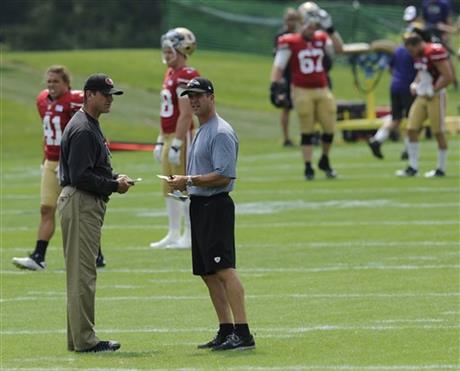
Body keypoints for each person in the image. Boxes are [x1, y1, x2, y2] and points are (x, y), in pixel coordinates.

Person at [166, 77, 255, 351]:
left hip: (216, 205)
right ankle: (226, 329)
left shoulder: (220, 132)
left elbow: (224, 175)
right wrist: (187, 185)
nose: (193, 101)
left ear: (211, 97)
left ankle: (243, 332)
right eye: (190, 96)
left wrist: (188, 180)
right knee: (208, 272)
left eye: (198, 96)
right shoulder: (203, 129)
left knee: (224, 269)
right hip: (201, 206)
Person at [58, 73, 133, 352]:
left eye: (111, 94)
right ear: (89, 94)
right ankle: (86, 341)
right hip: (81, 202)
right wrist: (114, 185)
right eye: (105, 94)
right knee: (83, 276)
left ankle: (77, 338)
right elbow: (80, 176)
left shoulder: (88, 125)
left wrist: (113, 177)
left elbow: (89, 169)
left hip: (84, 202)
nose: (109, 99)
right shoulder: (84, 129)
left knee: (81, 274)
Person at [12, 65, 106, 271]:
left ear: (66, 83)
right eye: (49, 81)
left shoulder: (75, 100)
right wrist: (43, 159)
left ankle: (96, 254)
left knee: (78, 209)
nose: (51, 85)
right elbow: (46, 134)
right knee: (46, 208)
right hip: (51, 161)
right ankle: (39, 256)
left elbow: (88, 125)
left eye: (56, 81)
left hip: (71, 162)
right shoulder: (42, 101)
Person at [270, 1, 343, 180]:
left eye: (315, 25)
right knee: (307, 130)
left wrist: (331, 29)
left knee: (329, 128)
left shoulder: (321, 38)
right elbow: (278, 67)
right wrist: (274, 86)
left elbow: (340, 49)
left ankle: (325, 159)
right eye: (309, 25)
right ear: (301, 23)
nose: (312, 29)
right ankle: (308, 166)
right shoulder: (290, 41)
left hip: (322, 88)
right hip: (302, 90)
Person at [150, 27, 199, 249]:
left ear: (181, 50)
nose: (166, 55)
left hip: (183, 134)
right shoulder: (170, 74)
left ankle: (188, 235)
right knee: (169, 186)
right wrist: (161, 139)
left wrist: (178, 142)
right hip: (169, 134)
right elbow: (166, 112)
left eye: (170, 51)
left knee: (183, 185)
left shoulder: (186, 75)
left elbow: (186, 113)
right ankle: (172, 232)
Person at [396, 33, 454, 178]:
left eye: (411, 50)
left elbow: (448, 76)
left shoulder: (433, 52)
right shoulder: (419, 54)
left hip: (436, 96)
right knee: (411, 129)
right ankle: (412, 167)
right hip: (422, 96)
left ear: (417, 45)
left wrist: (433, 89)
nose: (410, 54)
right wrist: (416, 83)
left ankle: (441, 168)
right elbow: (422, 72)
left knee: (438, 132)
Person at [367, 38, 417, 159]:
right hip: (408, 87)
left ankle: (377, 140)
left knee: (395, 118)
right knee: (413, 120)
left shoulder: (398, 50)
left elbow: (391, 68)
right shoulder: (415, 51)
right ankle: (408, 149)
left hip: (395, 85)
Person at [272, 8, 301, 147]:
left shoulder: (300, 34)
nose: (291, 22)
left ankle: (307, 135)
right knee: (286, 107)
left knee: (304, 106)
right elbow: (278, 60)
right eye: (289, 19)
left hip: (299, 75)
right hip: (286, 76)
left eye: (294, 18)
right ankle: (286, 138)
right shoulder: (281, 36)